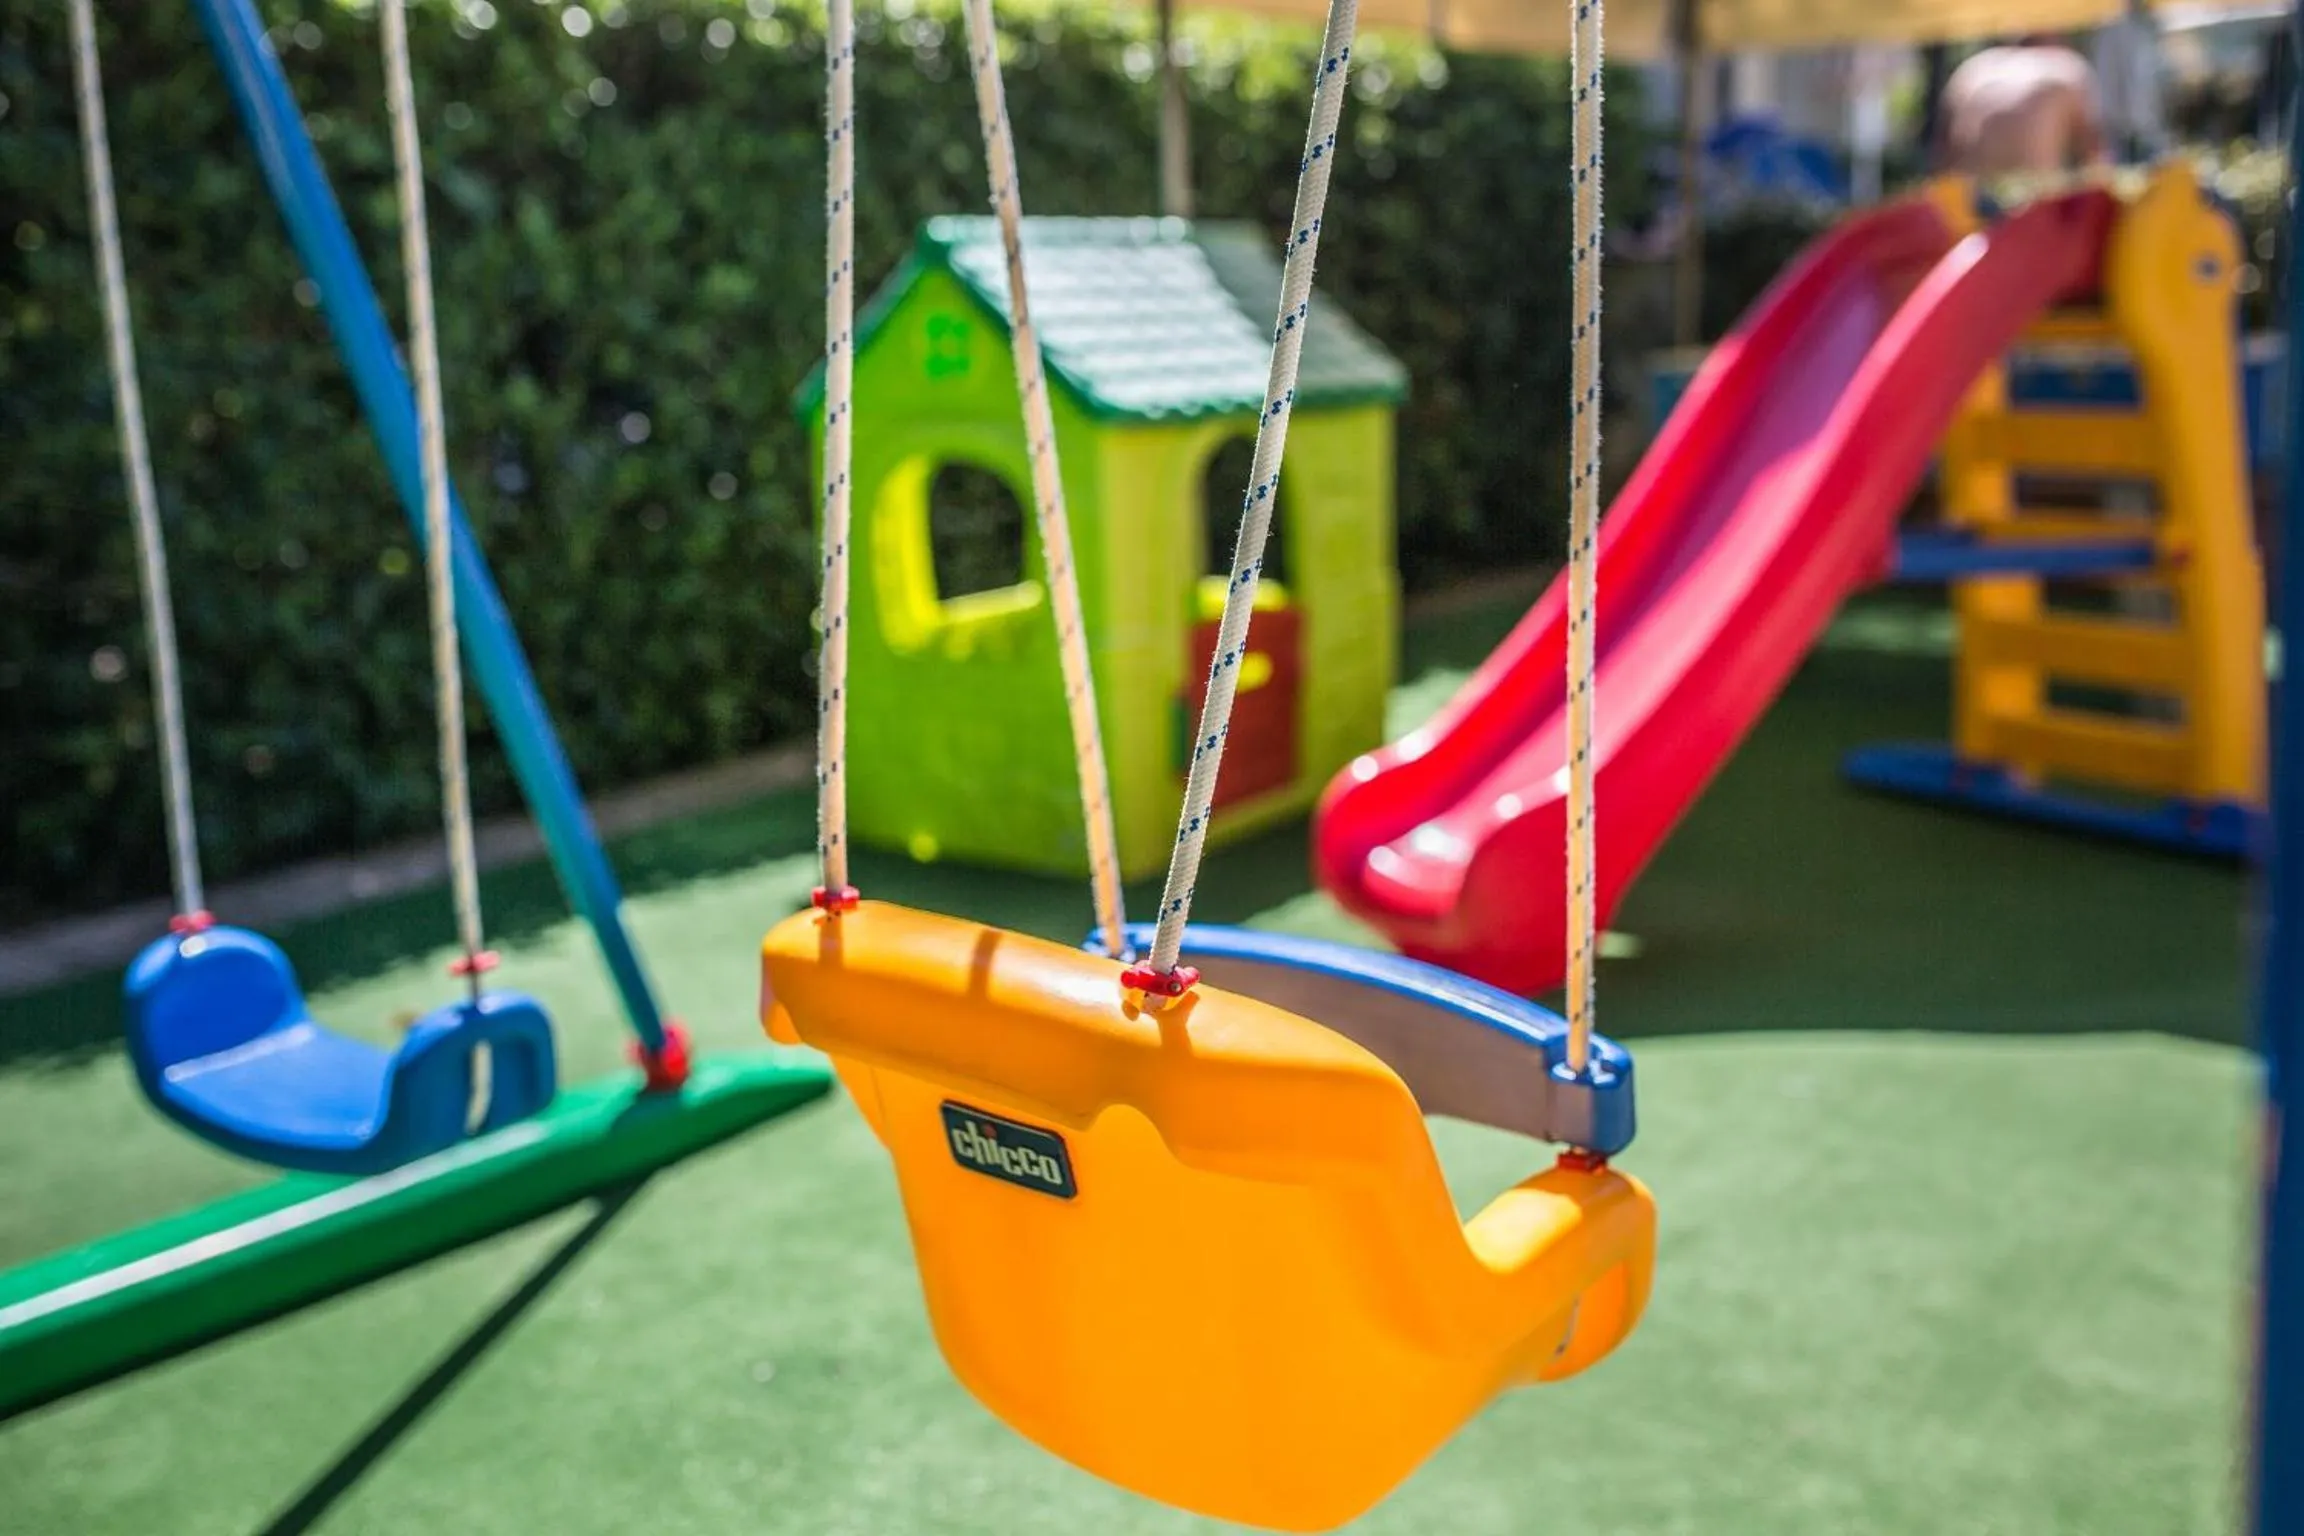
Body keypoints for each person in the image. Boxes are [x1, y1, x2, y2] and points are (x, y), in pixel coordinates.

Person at [1935, 34, 2112, 177]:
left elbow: (1943, 160)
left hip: (1969, 206)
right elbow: (2095, 161)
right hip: (2030, 204)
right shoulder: (2066, 69)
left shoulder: (1970, 70)